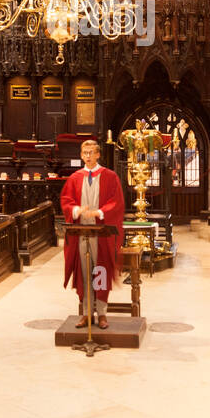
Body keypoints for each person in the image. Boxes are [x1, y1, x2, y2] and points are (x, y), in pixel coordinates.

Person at [59, 139, 125, 329]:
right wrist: (75, 210)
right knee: (84, 272)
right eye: (84, 153)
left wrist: (100, 212)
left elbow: (117, 203)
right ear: (81, 155)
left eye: (91, 153)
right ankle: (87, 313)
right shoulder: (75, 178)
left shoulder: (110, 176)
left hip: (102, 234)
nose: (88, 156)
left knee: (100, 271)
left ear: (98, 155)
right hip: (81, 233)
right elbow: (66, 201)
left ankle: (102, 313)